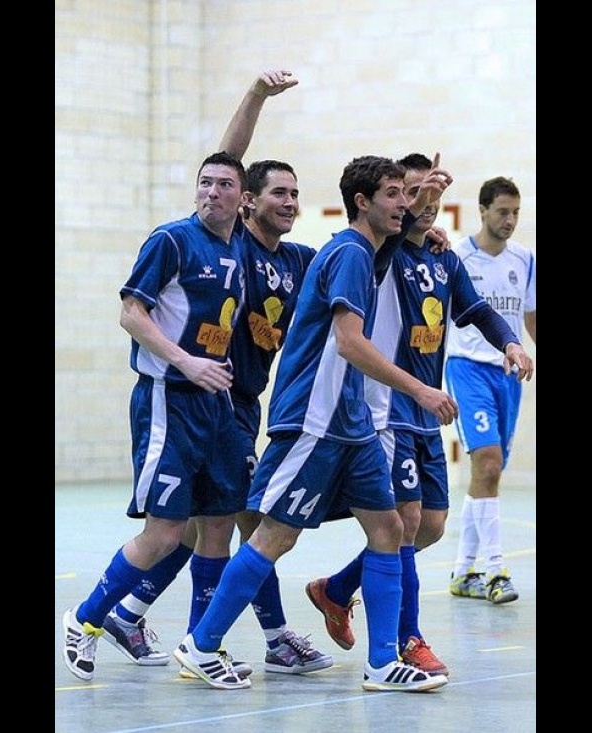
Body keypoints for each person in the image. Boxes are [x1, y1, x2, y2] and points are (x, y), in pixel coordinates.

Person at [172, 154, 457, 693]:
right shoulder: (348, 254)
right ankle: (201, 645)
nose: (404, 203)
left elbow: (394, 243)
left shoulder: (368, 251)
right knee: (277, 535)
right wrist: (419, 389)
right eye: (394, 194)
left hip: (353, 425)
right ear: (362, 202)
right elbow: (350, 343)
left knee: (392, 528)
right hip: (315, 419)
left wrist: (423, 205)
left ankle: (380, 664)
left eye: (407, 194)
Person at [97, 70, 333, 677]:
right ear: (245, 200)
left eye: (293, 195)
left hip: (242, 401)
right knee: (241, 522)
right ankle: (274, 635)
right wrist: (255, 94)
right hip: (202, 399)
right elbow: (229, 162)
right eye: (273, 192)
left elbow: (358, 253)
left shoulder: (301, 260)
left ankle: (131, 610)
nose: (286, 202)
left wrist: (420, 223)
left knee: (209, 526)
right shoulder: (229, 242)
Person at [304, 155, 534, 674]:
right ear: (396, 201)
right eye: (411, 195)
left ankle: (337, 589)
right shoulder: (381, 255)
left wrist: (512, 343)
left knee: (429, 527)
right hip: (389, 407)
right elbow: (396, 231)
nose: (423, 206)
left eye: (431, 197)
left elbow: (474, 309)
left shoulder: (445, 259)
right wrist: (420, 198)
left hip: (428, 406)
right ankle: (408, 639)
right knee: (403, 523)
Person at [61, 151, 253, 686]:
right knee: (165, 533)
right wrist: (187, 360)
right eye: (204, 183)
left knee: (218, 524)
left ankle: (201, 647)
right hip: (169, 398)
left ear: (243, 197)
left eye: (224, 184)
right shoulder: (171, 240)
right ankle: (84, 619)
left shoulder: (239, 244)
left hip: (216, 402)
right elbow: (131, 312)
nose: (212, 191)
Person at [444, 175, 537, 604]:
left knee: (488, 470)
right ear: (482, 210)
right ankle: (497, 569)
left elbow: (530, 319)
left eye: (516, 212)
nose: (510, 220)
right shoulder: (457, 256)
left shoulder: (524, 259)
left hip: (507, 375)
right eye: (502, 211)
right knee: (488, 460)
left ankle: (464, 572)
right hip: (467, 369)